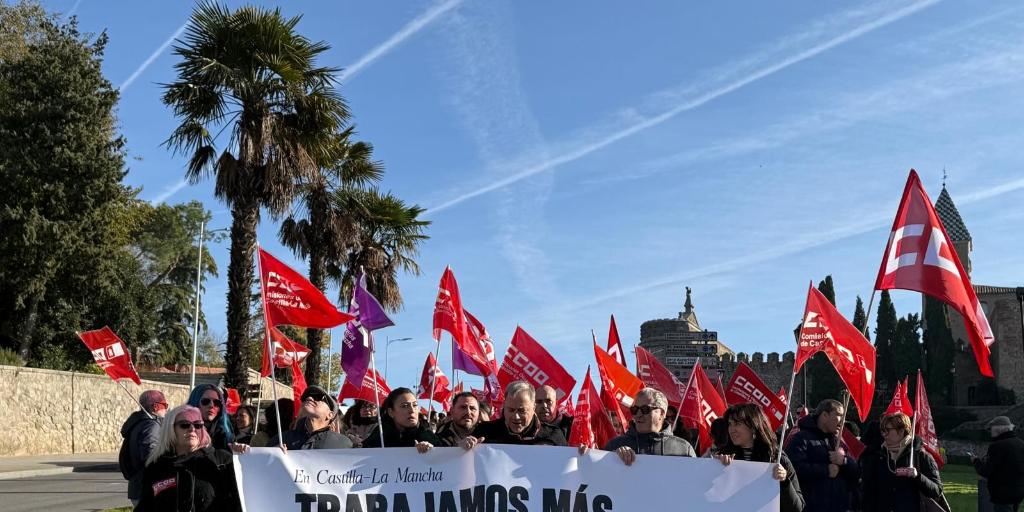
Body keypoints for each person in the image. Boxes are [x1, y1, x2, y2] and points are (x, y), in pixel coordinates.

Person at [135, 405, 241, 512]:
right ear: (171, 429)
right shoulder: (156, 466)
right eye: (185, 425)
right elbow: (145, 506)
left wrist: (246, 457)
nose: (192, 429)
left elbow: (243, 500)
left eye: (198, 425)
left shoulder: (221, 460)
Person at [715, 403, 804, 512]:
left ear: (753, 426)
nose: (731, 429)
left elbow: (797, 508)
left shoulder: (777, 458)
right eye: (730, 424)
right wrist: (716, 471)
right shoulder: (721, 458)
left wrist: (784, 482)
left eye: (737, 423)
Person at [785, 399, 860, 512]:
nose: (842, 421)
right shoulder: (801, 438)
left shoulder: (839, 440)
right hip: (812, 507)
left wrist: (844, 461)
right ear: (824, 415)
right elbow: (794, 469)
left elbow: (856, 472)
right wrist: (825, 470)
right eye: (839, 415)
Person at [860, 413, 943, 512]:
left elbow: (937, 490)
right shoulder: (878, 455)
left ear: (901, 431)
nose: (884, 434)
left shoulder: (921, 456)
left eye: (888, 430)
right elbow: (868, 490)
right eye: (882, 431)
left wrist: (918, 476)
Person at [461, 381, 567, 449]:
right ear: (504, 406)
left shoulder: (553, 435)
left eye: (522, 411)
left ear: (533, 408)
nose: (516, 417)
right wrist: (462, 448)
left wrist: (581, 455)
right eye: (511, 410)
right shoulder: (485, 431)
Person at [603, 388, 696, 465]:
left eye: (645, 409)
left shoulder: (683, 449)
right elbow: (597, 477)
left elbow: (696, 482)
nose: (638, 414)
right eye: (635, 409)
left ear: (662, 414)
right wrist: (612, 458)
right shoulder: (614, 446)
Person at [120, 390, 168, 506]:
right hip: (147, 488)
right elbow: (150, 455)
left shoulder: (138, 423)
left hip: (138, 487)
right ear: (156, 406)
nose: (166, 409)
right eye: (165, 405)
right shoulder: (151, 425)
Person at [269, 385, 351, 450]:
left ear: (330, 415)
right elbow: (260, 467)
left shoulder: (343, 444)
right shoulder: (281, 439)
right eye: (305, 398)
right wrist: (271, 455)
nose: (309, 398)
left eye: (318, 397)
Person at [361, 387, 441, 451]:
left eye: (415, 405)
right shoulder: (379, 437)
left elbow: (443, 462)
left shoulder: (428, 436)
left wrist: (432, 451)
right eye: (405, 406)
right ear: (391, 412)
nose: (412, 410)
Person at [973, 416, 1024, 512]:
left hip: (1002, 493)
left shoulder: (997, 446)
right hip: (1018, 490)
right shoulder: (1021, 444)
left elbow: (986, 471)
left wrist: (976, 461)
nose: (990, 432)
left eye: (991, 429)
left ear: (998, 430)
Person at [187, 384, 234, 450]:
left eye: (216, 402)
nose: (211, 405)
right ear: (195, 402)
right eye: (205, 401)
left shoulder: (226, 434)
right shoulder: (183, 429)